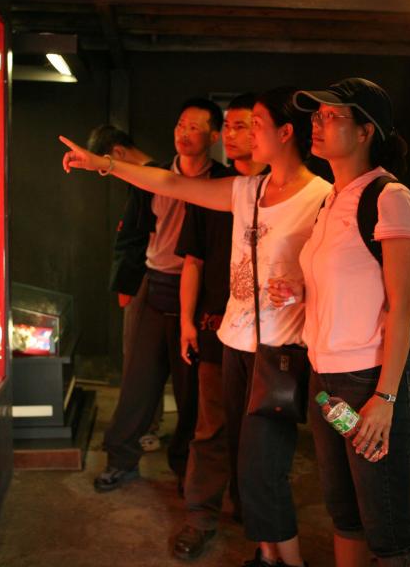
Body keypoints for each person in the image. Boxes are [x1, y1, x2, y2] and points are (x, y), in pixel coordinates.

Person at [60, 86, 331, 567]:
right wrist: (106, 164)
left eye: (254, 125)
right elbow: (172, 184)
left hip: (280, 352)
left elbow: (341, 274)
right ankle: (265, 554)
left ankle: (285, 560)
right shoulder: (247, 190)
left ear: (285, 133)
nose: (243, 133)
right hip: (232, 343)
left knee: (264, 464)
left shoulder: (322, 197)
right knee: (231, 450)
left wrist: (304, 291)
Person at [284, 78, 410, 567]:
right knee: (345, 514)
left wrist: (385, 399)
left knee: (387, 528)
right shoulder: (332, 199)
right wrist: (298, 291)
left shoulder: (390, 197)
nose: (317, 124)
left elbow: (402, 306)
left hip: (369, 381)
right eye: (316, 116)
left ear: (366, 131)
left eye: (331, 116)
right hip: (325, 380)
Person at [90, 99, 228, 494]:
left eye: (195, 127)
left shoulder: (224, 181)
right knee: (138, 382)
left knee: (192, 391)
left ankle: (187, 468)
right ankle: (121, 459)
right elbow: (133, 233)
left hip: (198, 295)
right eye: (181, 125)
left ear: (213, 136)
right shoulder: (154, 176)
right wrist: (126, 285)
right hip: (154, 284)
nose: (184, 133)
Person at [171, 94, 268, 561]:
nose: (230, 134)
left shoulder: (288, 192)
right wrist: (186, 321)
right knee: (210, 428)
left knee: (263, 434)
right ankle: (200, 515)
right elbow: (192, 260)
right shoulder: (215, 190)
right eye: (226, 126)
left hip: (271, 338)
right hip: (216, 329)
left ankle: (259, 518)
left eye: (241, 126)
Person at [87, 124, 163, 452]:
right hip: (139, 280)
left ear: (117, 153)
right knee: (139, 361)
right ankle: (141, 427)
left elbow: (145, 238)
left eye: (106, 166)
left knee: (139, 363)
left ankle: (142, 429)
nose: (108, 173)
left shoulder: (152, 179)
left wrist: (129, 285)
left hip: (146, 279)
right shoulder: (146, 178)